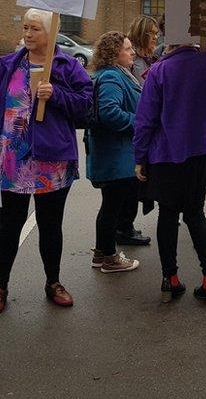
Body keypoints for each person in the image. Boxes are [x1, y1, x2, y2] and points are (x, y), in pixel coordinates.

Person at [0, 8, 93, 314]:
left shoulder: (67, 66)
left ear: (51, 33)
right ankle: (0, 286)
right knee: (8, 225)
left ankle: (53, 282)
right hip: (12, 161)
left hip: (52, 162)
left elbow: (86, 106)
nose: (28, 33)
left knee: (50, 225)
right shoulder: (9, 64)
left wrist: (57, 94)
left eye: (35, 28)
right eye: (25, 27)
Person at [134, 44, 206, 305]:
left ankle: (170, 278)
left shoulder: (159, 70)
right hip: (202, 149)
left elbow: (146, 118)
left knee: (168, 214)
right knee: (196, 213)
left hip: (167, 153)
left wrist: (140, 156)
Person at [84, 31, 141, 273]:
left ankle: (101, 252)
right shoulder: (111, 78)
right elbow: (110, 113)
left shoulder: (115, 74)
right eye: (127, 49)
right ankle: (108, 256)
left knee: (110, 206)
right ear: (114, 54)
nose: (132, 52)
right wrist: (141, 122)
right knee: (111, 207)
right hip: (116, 154)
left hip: (115, 154)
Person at [117, 16, 162, 247]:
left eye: (156, 33)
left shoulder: (151, 58)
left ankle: (126, 225)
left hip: (146, 125)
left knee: (137, 182)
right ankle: (123, 227)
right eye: (151, 33)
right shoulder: (134, 61)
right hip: (136, 125)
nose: (155, 37)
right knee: (130, 182)